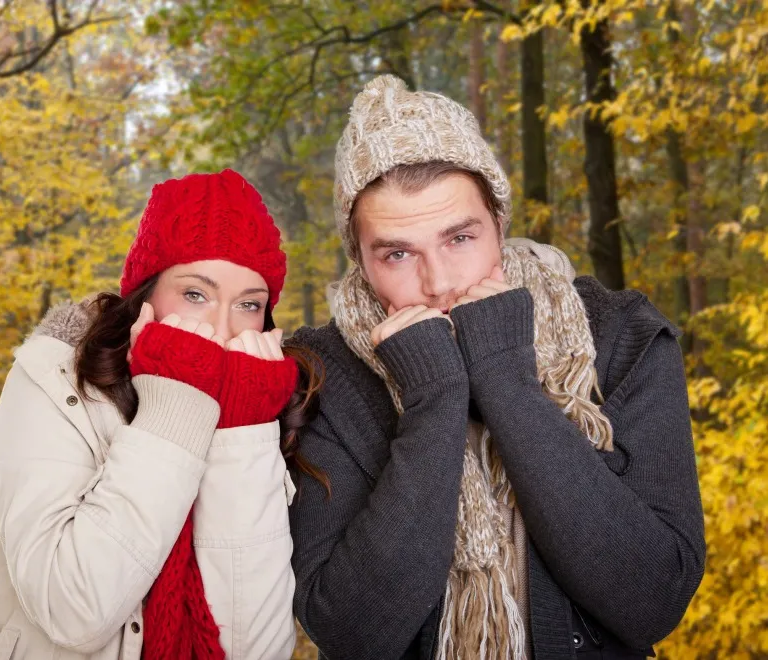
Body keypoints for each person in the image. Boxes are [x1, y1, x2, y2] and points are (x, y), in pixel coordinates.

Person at [288, 75, 705, 660]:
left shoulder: (621, 335)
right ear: (359, 258)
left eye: (460, 238)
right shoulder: (320, 375)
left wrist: (507, 380)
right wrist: (433, 399)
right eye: (398, 253)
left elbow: (654, 600)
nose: (439, 283)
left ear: (499, 224)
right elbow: (353, 635)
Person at [0, 170, 316, 660]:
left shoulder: (259, 408)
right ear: (145, 296)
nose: (221, 329)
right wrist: (176, 405)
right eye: (195, 294)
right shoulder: (52, 381)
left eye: (248, 304)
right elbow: (74, 612)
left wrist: (241, 428)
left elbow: (255, 650)